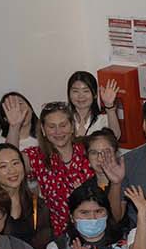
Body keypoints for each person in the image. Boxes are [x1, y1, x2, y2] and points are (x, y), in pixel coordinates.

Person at [24, 102, 95, 239]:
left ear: (72, 127)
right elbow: (8, 161)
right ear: (43, 130)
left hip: (96, 226)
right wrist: (14, 127)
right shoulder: (35, 157)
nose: (58, 132)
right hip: (60, 236)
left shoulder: (88, 150)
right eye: (52, 127)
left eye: (63, 125)